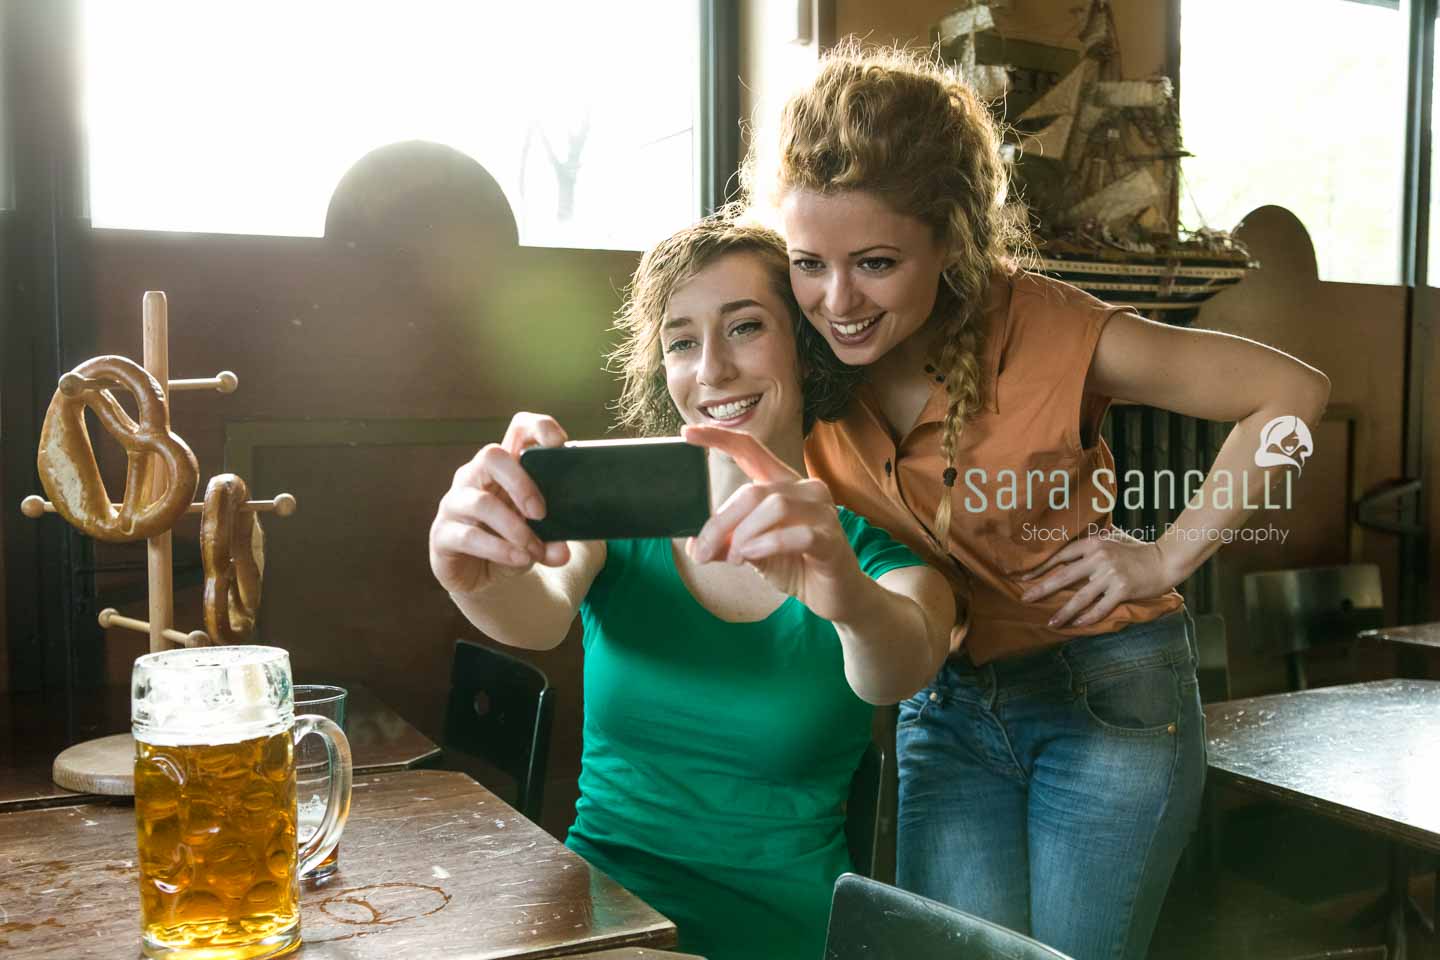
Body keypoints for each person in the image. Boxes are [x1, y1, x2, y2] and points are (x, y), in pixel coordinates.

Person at [741, 41, 1331, 960]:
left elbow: (1290, 395)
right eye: (809, 263)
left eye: (877, 263)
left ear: (949, 238)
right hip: (941, 704)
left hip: (1107, 696)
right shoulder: (797, 354)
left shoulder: (1049, 328)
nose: (837, 300)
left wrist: (1166, 555)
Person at [428, 215, 954, 960]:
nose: (711, 369)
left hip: (776, 937)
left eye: (744, 328)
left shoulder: (872, 556)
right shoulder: (618, 523)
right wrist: (465, 573)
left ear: (807, 347)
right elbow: (536, 616)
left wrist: (846, 594)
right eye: (681, 341)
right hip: (601, 925)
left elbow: (902, 659)